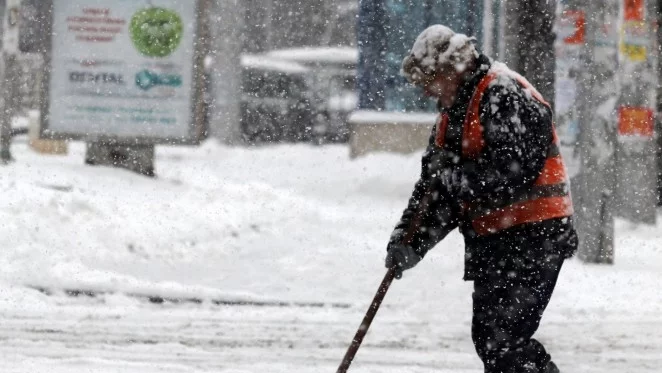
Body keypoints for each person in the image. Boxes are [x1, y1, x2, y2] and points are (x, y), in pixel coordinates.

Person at [384, 25, 578, 373]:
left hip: (534, 235)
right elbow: (435, 191)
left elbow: (513, 170)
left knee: (502, 341)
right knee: (493, 341)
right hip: (496, 240)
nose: (428, 93)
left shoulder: (504, 93)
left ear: (450, 69)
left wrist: (454, 177)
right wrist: (409, 241)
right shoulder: (453, 112)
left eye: (430, 81)